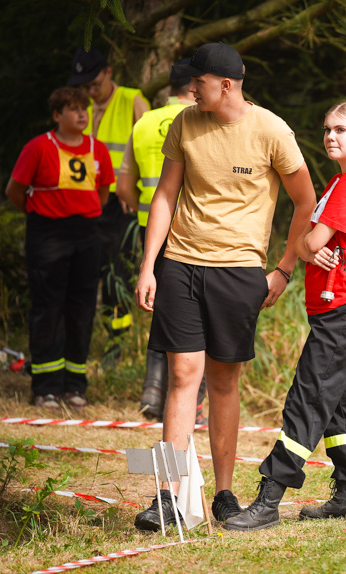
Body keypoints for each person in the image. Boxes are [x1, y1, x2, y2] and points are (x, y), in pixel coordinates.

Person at [131, 43, 317, 532]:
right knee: (180, 376)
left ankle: (224, 495)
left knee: (223, 381)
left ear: (226, 85)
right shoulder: (184, 123)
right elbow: (166, 195)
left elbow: (306, 201)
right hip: (181, 264)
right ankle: (167, 496)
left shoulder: (272, 131)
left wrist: (283, 268)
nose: (191, 89)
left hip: (239, 271)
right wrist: (149, 265)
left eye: (199, 82)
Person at [224, 100, 346, 531]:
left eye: (341, 130)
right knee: (343, 401)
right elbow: (311, 244)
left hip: (344, 304)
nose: (331, 136)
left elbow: (310, 243)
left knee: (308, 396)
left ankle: (269, 498)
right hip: (342, 305)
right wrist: (309, 245)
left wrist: (308, 245)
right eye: (327, 128)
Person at [5, 87, 114, 409]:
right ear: (57, 116)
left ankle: (74, 384)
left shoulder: (99, 149)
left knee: (81, 309)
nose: (82, 114)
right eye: (73, 109)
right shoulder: (38, 147)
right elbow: (15, 190)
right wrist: (42, 216)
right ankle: (46, 388)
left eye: (85, 108)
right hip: (47, 233)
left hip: (86, 233)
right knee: (48, 308)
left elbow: (103, 194)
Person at [115, 59, 207, 424]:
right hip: (194, 232)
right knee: (194, 315)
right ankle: (194, 404)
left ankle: (152, 389)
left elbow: (124, 185)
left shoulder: (144, 122)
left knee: (161, 308)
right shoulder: (202, 121)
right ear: (193, 87)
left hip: (148, 226)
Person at [69, 47, 150, 355]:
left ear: (109, 73)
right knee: (87, 270)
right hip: (84, 201)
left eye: (94, 83)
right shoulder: (79, 107)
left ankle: (117, 343)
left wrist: (133, 193)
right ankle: (83, 339)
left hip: (120, 204)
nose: (90, 91)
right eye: (84, 86)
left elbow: (150, 150)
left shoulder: (132, 100)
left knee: (117, 273)